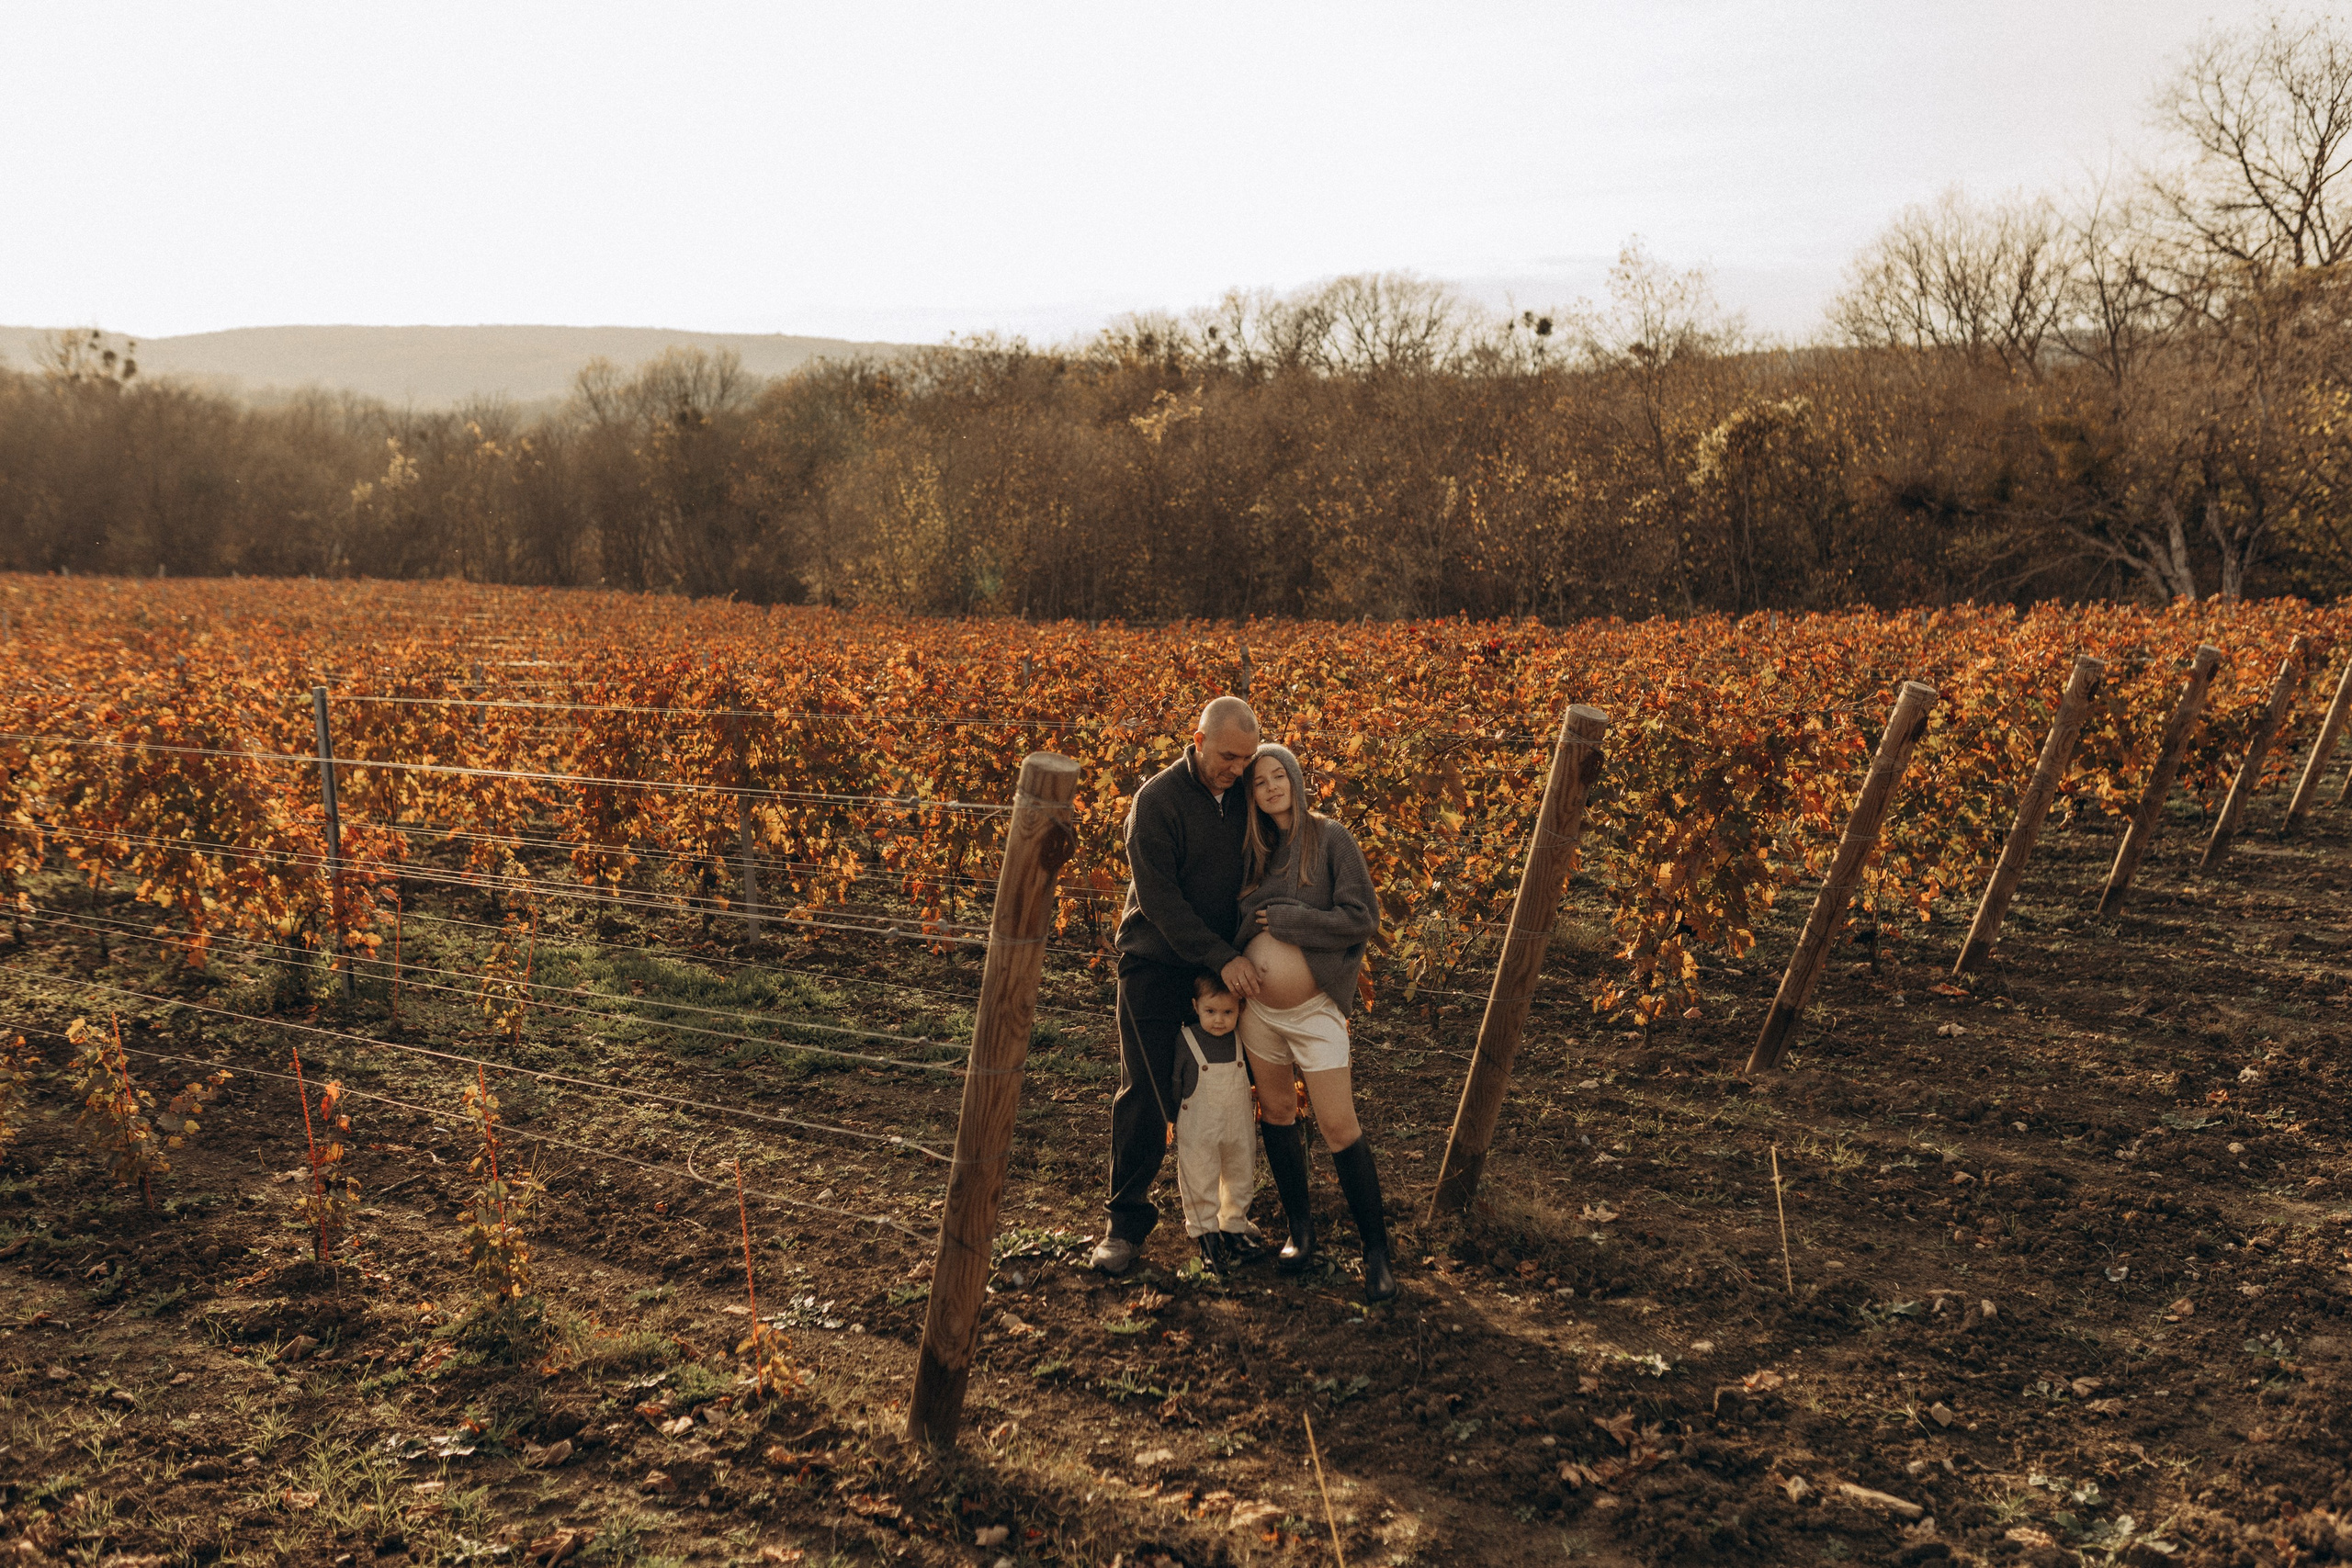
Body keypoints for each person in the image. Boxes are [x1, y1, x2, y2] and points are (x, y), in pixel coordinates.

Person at [1090, 696, 1264, 1277]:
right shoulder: (1157, 801)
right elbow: (1161, 903)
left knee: (1228, 1096)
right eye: (1227, 756)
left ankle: (1224, 1217)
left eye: (1246, 759)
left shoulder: (1247, 796)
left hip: (1221, 970)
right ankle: (1125, 1224)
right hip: (1156, 963)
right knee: (1148, 1093)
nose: (1236, 769)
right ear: (1197, 738)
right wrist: (1223, 957)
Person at [1234, 743, 1396, 1303]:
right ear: (1251, 795)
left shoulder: (1330, 838)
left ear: (1297, 780)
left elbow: (1361, 919)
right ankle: (1301, 1235)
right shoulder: (1254, 849)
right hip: (1259, 1013)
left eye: (1280, 776)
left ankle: (1377, 1253)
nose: (1272, 787)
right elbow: (1235, 919)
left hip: (1313, 1012)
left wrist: (1292, 920)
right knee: (1277, 1112)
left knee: (1338, 1126)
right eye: (1260, 782)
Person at [1170, 974, 1255, 1274]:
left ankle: (1233, 1229)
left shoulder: (1241, 1039)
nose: (1219, 1020)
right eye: (1211, 1012)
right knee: (1200, 1176)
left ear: (1240, 1009)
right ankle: (1207, 1239)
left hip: (1237, 1126)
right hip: (1199, 1127)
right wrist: (1170, 1118)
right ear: (1195, 1006)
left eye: (1228, 1012)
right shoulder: (1187, 1039)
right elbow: (1176, 1082)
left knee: (1240, 1173)